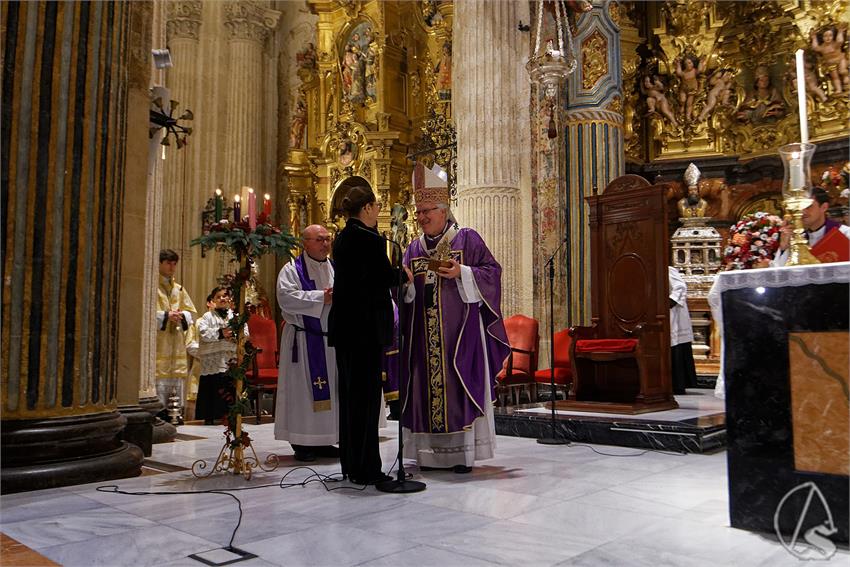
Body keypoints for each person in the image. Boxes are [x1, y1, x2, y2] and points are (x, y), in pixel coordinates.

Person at [400, 185, 511, 474]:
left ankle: (462, 455)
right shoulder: (413, 248)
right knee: (426, 389)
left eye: (427, 211)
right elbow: (404, 292)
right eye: (419, 212)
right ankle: (428, 455)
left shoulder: (467, 239)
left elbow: (493, 273)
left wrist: (462, 272)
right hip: (424, 338)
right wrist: (406, 286)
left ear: (444, 211)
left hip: (460, 335)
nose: (422, 217)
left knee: (458, 385)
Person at [327, 185, 410, 485]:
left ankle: (351, 462)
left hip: (346, 330)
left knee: (350, 398)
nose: (378, 213)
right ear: (366, 210)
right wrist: (403, 274)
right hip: (365, 330)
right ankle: (368, 469)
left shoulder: (342, 239)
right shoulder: (369, 239)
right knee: (365, 399)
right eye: (376, 208)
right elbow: (383, 276)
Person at [275, 224, 340, 462]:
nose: (325, 244)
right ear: (305, 242)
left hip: (330, 342)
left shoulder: (336, 268)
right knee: (302, 394)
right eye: (319, 239)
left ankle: (324, 440)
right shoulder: (292, 270)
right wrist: (321, 297)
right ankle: (302, 442)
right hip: (303, 341)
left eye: (328, 239)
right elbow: (286, 298)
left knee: (330, 392)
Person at [156, 249, 197, 423]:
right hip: (159, 343)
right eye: (168, 263)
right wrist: (166, 316)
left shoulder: (179, 289)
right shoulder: (153, 287)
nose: (172, 267)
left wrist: (181, 316)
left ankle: (174, 413)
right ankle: (158, 413)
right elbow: (143, 312)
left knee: (175, 378)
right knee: (159, 377)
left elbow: (192, 313)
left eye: (174, 264)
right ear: (159, 264)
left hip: (176, 342)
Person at [195, 287, 243, 425]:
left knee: (228, 386)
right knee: (212, 386)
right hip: (213, 360)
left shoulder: (235, 316)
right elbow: (204, 333)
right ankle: (209, 416)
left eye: (225, 296)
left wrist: (234, 335)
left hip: (230, 359)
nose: (222, 299)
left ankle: (229, 415)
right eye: (219, 297)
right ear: (214, 300)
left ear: (229, 299)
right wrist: (221, 333)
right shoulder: (207, 316)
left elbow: (244, 331)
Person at [772, 187, 850, 267]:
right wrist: (783, 248)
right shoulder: (797, 239)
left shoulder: (845, 233)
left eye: (808, 206)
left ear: (824, 207)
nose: (802, 212)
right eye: (800, 207)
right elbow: (779, 272)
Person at [668, 267, 697, 395]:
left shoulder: (667, 269)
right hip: (664, 314)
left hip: (673, 312)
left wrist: (670, 301)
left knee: (676, 345)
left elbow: (680, 286)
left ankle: (679, 384)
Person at [811, 25, 849, 95]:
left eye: (830, 35)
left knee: (842, 71)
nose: (828, 38)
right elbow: (815, 47)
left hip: (840, 60)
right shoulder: (822, 47)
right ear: (822, 38)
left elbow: (840, 41)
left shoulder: (835, 44)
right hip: (830, 64)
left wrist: (840, 32)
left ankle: (846, 76)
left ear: (833, 36)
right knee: (835, 77)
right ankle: (838, 89)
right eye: (825, 36)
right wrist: (814, 37)